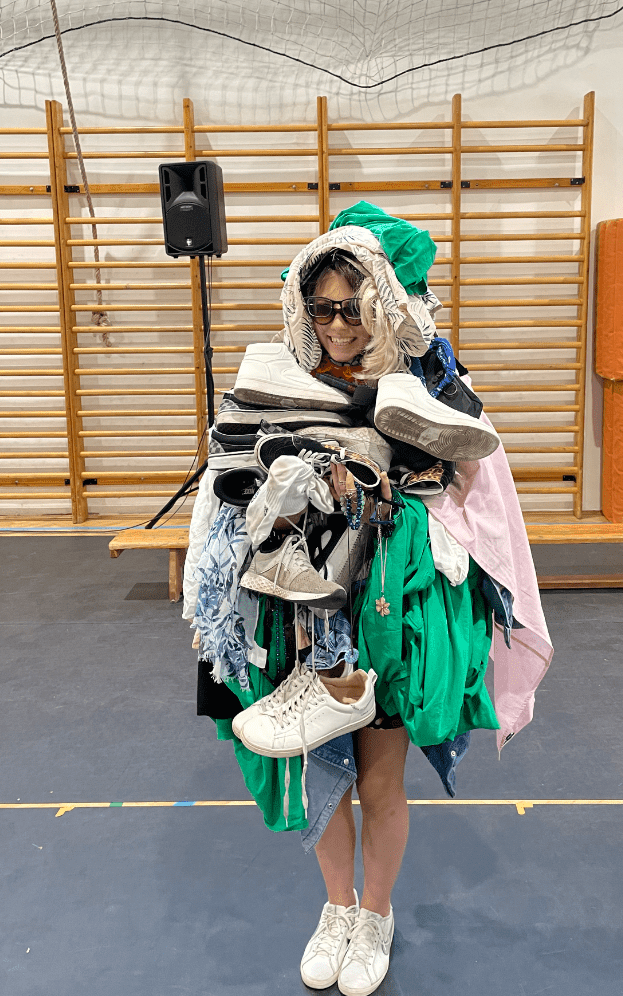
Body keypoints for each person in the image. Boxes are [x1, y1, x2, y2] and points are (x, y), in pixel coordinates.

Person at [184, 204, 552, 996]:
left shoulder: (430, 387)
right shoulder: (273, 381)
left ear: (383, 302)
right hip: (297, 615)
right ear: (302, 308)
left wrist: (381, 492)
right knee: (324, 776)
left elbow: (472, 505)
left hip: (387, 615)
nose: (338, 326)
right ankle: (336, 909)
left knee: (381, 782)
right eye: (322, 309)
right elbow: (225, 503)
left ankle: (375, 914)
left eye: (353, 307)